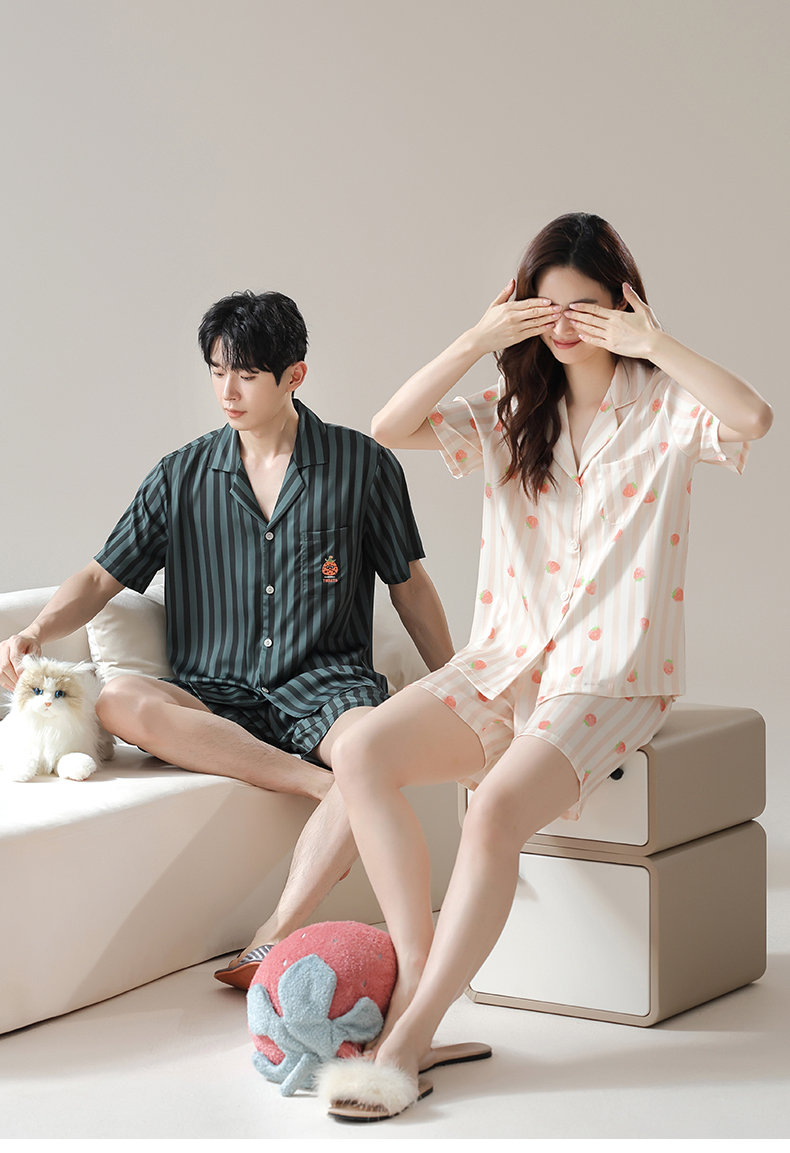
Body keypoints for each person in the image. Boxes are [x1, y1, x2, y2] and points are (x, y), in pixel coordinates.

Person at [324, 213, 774, 1120]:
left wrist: (655, 343)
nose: (565, 323)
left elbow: (753, 417)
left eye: (587, 305)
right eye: (546, 305)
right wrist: (478, 337)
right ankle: (422, 982)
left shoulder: (665, 405)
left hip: (613, 670)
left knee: (493, 809)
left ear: (622, 305)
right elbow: (388, 425)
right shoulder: (512, 409)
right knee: (361, 749)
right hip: (508, 654)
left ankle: (408, 1040)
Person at [0, 290, 454, 986]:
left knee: (370, 743)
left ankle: (274, 934)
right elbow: (99, 577)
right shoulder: (180, 475)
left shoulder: (363, 466)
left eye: (245, 374)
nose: (227, 391)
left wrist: (460, 685)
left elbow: (409, 586)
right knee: (119, 698)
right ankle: (326, 787)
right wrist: (34, 630)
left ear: (294, 375)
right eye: (217, 372)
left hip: (326, 688)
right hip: (213, 694)